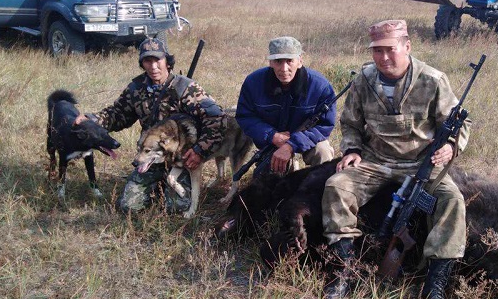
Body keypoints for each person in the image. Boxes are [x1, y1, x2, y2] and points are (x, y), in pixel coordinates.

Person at [321, 19, 470, 299]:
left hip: (421, 164)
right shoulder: (364, 79)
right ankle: (343, 271)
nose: (384, 58)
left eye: (390, 50)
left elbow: (458, 123)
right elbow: (350, 122)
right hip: (375, 160)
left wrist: (451, 147)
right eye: (377, 51)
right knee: (336, 186)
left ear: (407, 46)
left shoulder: (433, 80)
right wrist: (351, 150)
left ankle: (434, 288)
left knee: (452, 200)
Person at [75, 36, 228, 214]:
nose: (153, 66)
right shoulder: (136, 88)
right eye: (148, 60)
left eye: (158, 60)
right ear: (142, 63)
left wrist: (200, 151)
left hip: (181, 158)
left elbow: (217, 118)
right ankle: (157, 183)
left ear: (167, 61)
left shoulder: (185, 88)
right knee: (129, 206)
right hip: (150, 156)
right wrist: (92, 120)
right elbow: (117, 114)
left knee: (178, 208)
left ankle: (167, 184)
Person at [236, 36, 336, 174]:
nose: (284, 68)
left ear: (300, 61)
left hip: (307, 139)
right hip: (272, 141)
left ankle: (320, 190)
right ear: (270, 62)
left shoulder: (320, 86)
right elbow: (245, 116)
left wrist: (292, 145)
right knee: (264, 182)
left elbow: (325, 125)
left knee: (323, 152)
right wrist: (272, 136)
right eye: (278, 61)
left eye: (290, 61)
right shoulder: (253, 82)